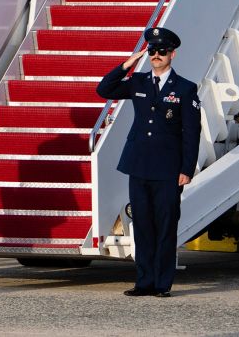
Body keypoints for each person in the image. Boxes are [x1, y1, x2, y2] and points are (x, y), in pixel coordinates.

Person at [96, 26, 201, 298]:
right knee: (142, 225)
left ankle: (162, 284)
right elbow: (104, 89)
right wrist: (127, 64)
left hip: (168, 169)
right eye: (152, 51)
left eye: (161, 51)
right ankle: (144, 282)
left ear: (172, 54)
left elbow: (192, 133)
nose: (156, 55)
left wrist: (186, 170)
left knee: (165, 226)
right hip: (139, 165)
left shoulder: (185, 89)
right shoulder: (139, 82)